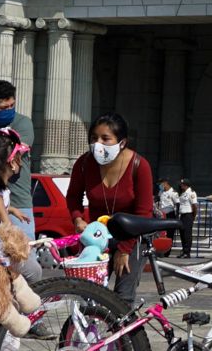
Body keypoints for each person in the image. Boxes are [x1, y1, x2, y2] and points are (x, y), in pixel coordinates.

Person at [66, 114, 157, 292]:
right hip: (98, 236)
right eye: (94, 138)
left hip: (133, 236)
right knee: (91, 291)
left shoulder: (139, 165)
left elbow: (144, 213)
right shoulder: (84, 164)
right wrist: (77, 218)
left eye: (105, 138)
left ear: (122, 142)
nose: (97, 144)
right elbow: (73, 197)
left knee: (123, 294)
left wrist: (124, 250)